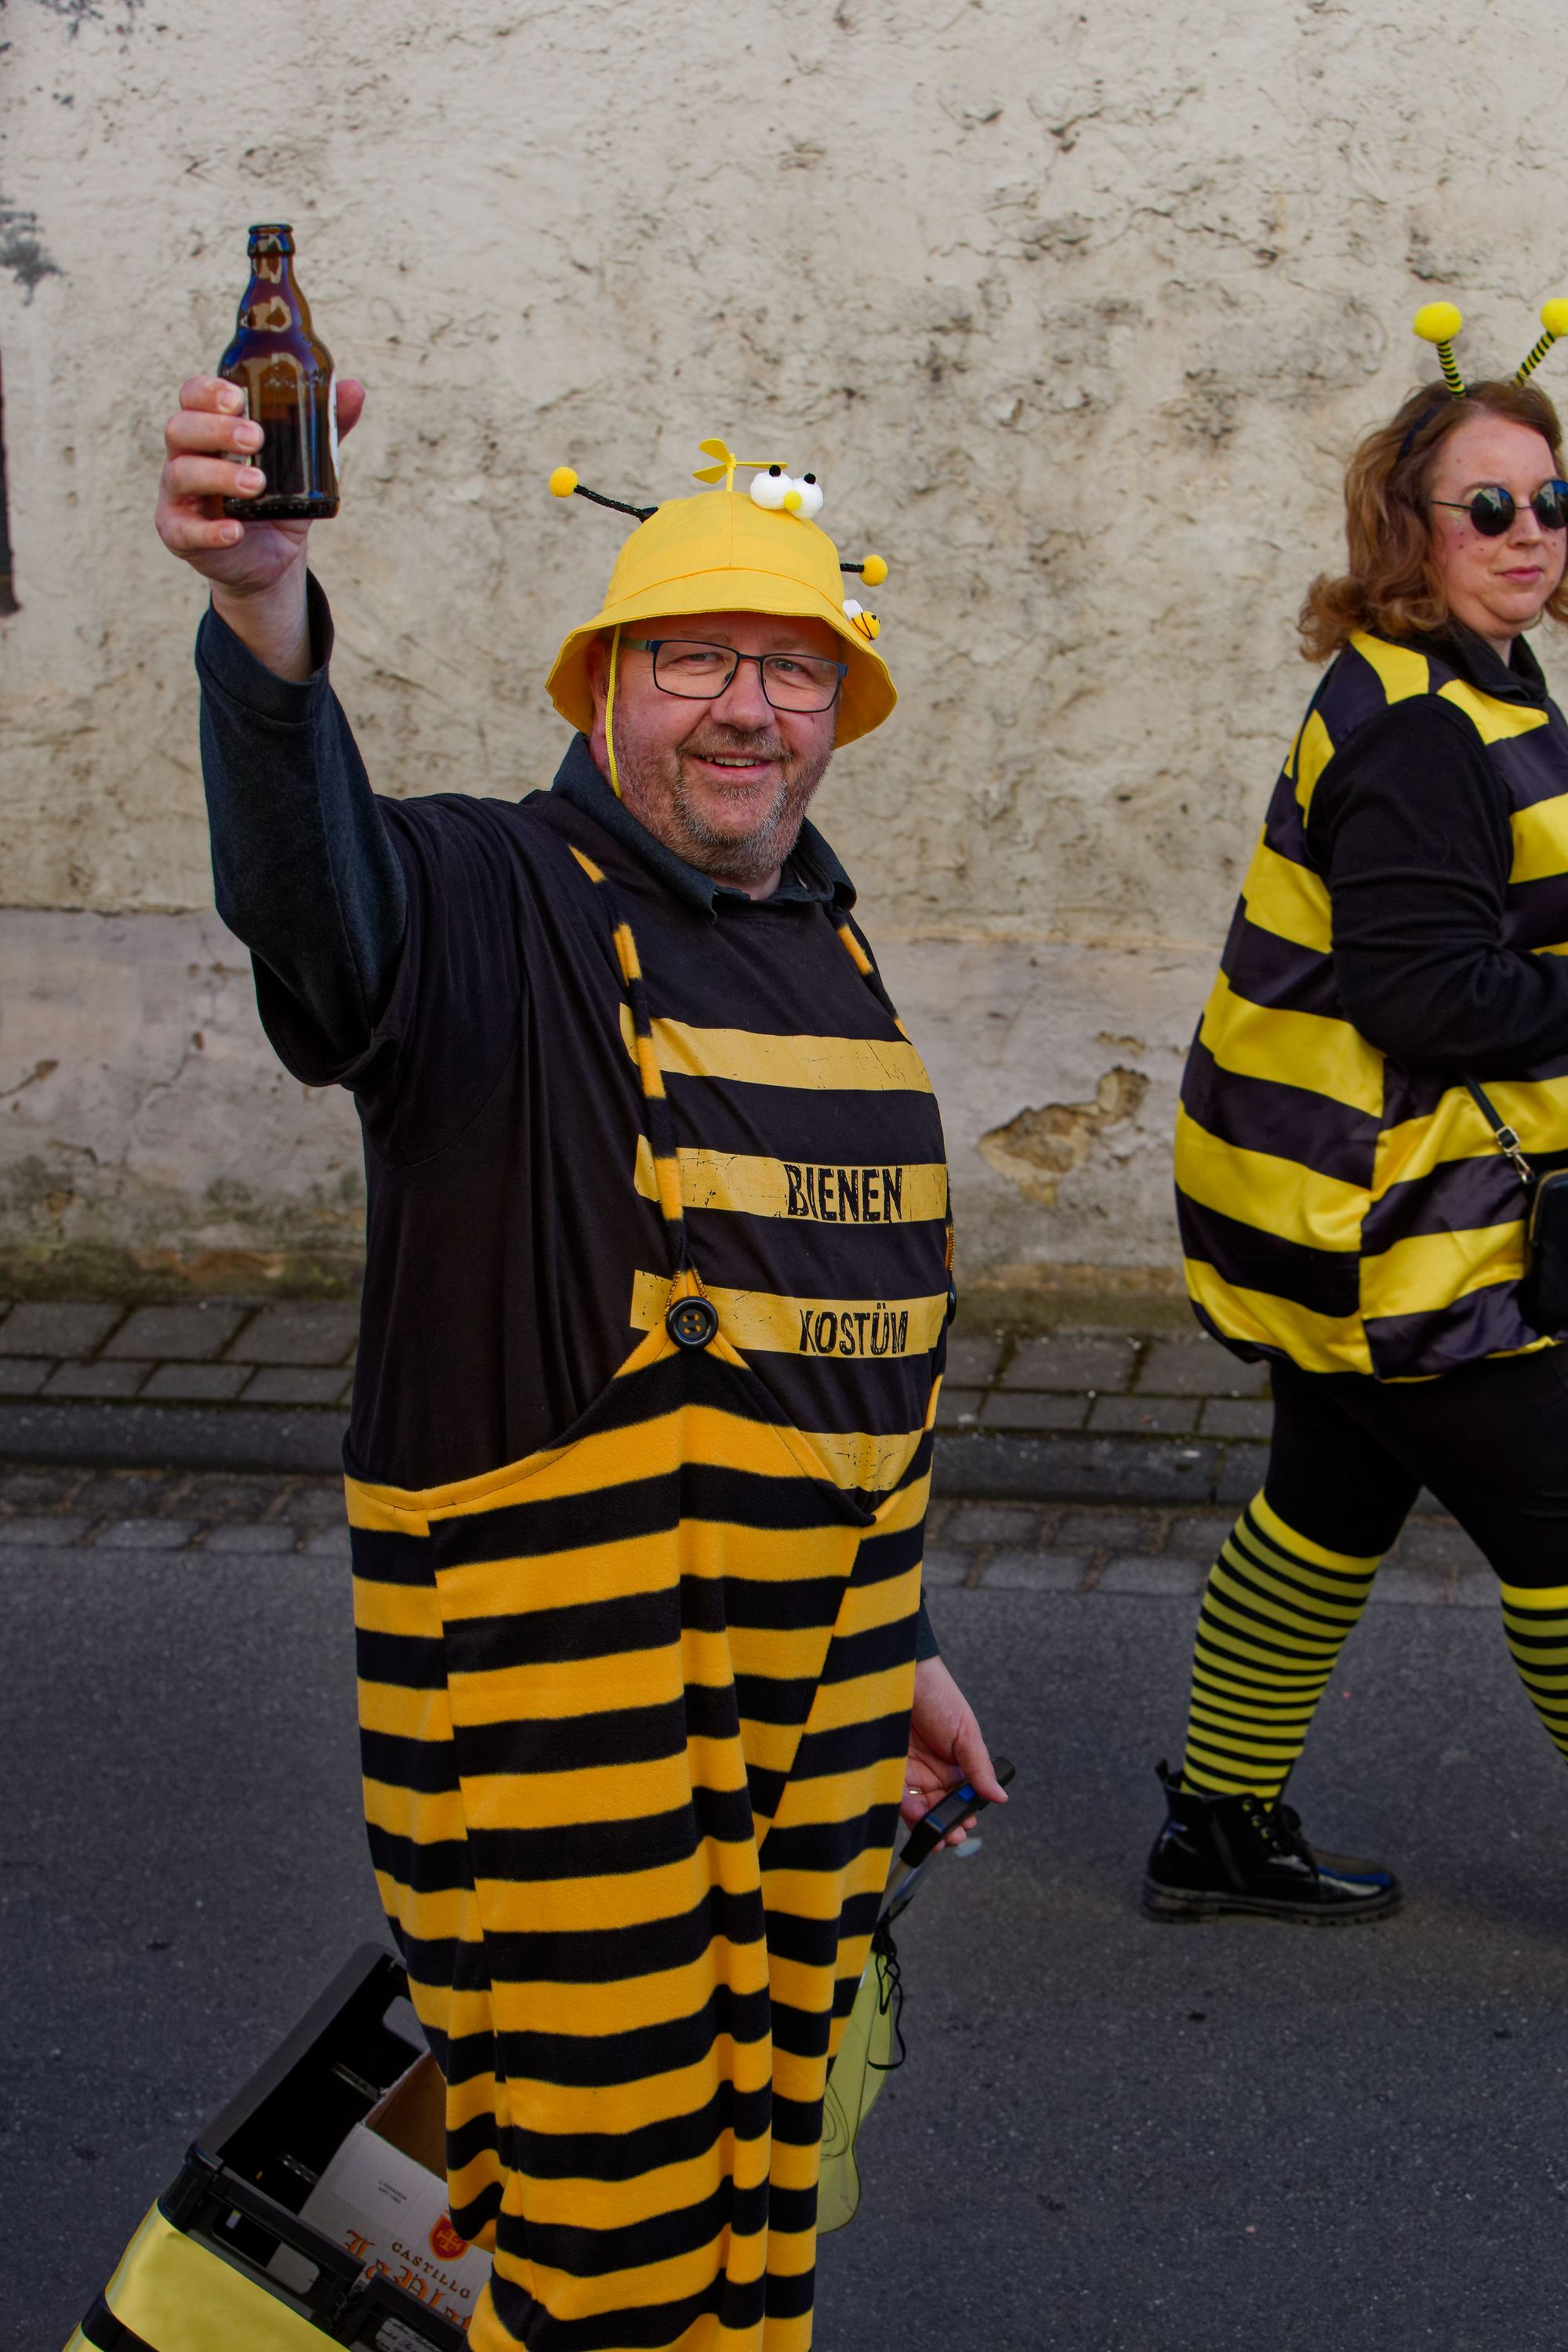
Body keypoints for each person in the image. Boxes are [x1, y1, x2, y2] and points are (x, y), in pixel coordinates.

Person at [154, 387, 1004, 2350]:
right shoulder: (487, 901)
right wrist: (267, 613)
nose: (745, 710)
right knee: (604, 2248)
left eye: (792, 673)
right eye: (696, 660)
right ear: (608, 685)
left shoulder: (833, 953)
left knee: (757, 2201)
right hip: (574, 1734)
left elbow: (831, 1359)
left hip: (812, 1715)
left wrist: (901, 1642)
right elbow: (310, 894)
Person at [1148, 303, 1568, 1925]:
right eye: (1486, 507)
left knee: (1329, 1497)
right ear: (1407, 528)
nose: (1525, 533)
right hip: (1384, 1228)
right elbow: (1428, 999)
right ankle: (1218, 1822)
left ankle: (1217, 1829)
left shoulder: (1463, 679)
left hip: (1336, 1208)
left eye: (1546, 501)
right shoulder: (1414, 729)